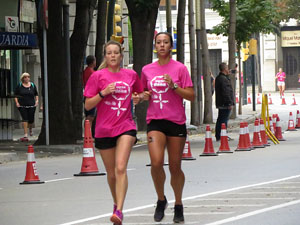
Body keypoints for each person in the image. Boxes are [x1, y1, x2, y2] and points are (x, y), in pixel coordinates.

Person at [84, 40, 143, 225]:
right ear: (105, 56)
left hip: (126, 126)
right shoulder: (97, 76)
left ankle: (119, 210)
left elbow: (140, 94)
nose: (112, 56)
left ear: (121, 55)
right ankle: (116, 203)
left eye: (115, 52)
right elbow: (87, 105)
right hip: (103, 129)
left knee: (120, 168)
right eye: (109, 53)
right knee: (111, 174)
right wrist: (103, 93)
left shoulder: (131, 75)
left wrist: (137, 98)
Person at [141, 32, 195, 223]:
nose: (162, 45)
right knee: (156, 163)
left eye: (165, 42)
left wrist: (174, 87)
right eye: (158, 42)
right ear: (155, 46)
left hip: (175, 121)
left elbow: (191, 95)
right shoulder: (147, 69)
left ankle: (178, 204)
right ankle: (161, 199)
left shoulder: (180, 68)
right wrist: (142, 96)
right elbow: (143, 92)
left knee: (175, 167)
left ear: (170, 46)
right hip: (155, 120)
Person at [14, 72, 38, 142]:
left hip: (31, 105)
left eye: (28, 77)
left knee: (31, 120)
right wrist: (17, 102)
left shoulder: (33, 85)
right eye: (25, 77)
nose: (27, 78)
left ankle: (30, 129)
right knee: (25, 119)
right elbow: (16, 95)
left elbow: (36, 94)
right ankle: (25, 134)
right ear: (23, 78)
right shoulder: (19, 86)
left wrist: (36, 101)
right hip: (22, 105)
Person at [215, 62, 234, 142]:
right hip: (224, 103)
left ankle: (219, 135)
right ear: (224, 69)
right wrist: (229, 103)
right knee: (223, 120)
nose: (228, 69)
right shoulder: (223, 79)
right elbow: (226, 92)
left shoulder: (220, 78)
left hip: (221, 102)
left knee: (220, 119)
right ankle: (222, 135)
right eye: (227, 68)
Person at [82, 55, 97, 127]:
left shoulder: (85, 71)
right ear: (93, 62)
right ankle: (88, 134)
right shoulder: (92, 73)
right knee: (90, 117)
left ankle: (87, 133)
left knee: (88, 115)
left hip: (86, 95)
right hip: (92, 96)